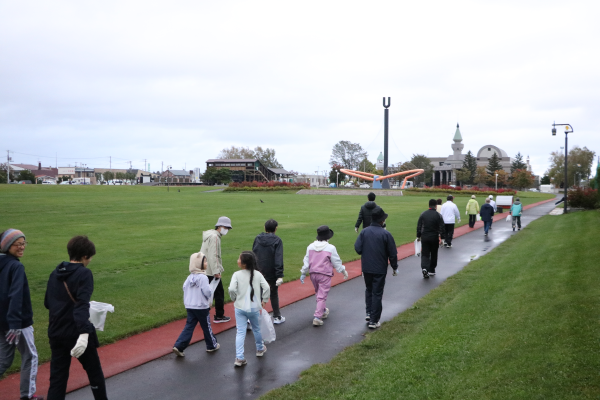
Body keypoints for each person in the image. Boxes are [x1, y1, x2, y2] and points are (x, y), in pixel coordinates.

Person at [45, 236, 107, 400]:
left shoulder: (54, 273)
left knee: (57, 379)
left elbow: (47, 303)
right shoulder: (84, 273)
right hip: (76, 332)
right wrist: (85, 334)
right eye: (90, 257)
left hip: (56, 331)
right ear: (85, 256)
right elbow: (81, 305)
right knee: (94, 373)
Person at [0, 229, 44, 400]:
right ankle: (27, 395)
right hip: (18, 323)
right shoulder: (16, 266)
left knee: (3, 360)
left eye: (23, 243)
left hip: (2, 322)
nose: (22, 247)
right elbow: (16, 295)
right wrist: (15, 324)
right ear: (7, 246)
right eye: (18, 244)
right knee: (30, 356)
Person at [354, 207, 398, 329]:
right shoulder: (386, 234)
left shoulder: (364, 232)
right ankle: (373, 320)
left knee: (369, 290)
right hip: (379, 268)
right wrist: (395, 267)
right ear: (381, 221)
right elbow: (392, 253)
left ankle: (369, 313)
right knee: (377, 293)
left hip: (367, 267)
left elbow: (358, 248)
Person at [172, 252, 219, 357]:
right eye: (205, 261)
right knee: (206, 326)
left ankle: (179, 345)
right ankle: (212, 345)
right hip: (201, 306)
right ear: (199, 264)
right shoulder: (203, 278)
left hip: (190, 306)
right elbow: (207, 291)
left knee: (189, 326)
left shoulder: (189, 278)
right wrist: (209, 297)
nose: (206, 263)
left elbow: (184, 288)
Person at [300, 226, 348, 327]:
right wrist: (343, 271)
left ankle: (323, 310)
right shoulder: (330, 248)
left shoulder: (310, 246)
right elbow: (336, 262)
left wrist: (303, 273)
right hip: (325, 274)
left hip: (313, 274)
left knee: (319, 293)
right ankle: (317, 317)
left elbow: (306, 261)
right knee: (322, 295)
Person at [228, 251, 270, 367]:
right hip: (254, 308)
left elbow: (231, 289)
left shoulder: (236, 274)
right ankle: (260, 349)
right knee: (256, 329)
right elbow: (266, 287)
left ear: (244, 263)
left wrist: (234, 298)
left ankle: (239, 357)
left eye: (239, 259)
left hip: (240, 307)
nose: (237, 260)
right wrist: (264, 300)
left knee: (240, 332)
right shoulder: (258, 274)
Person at [200, 216, 232, 324]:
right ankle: (219, 316)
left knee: (207, 294)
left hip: (204, 268)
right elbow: (214, 255)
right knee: (218, 293)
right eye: (226, 227)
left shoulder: (209, 234)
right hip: (210, 270)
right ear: (220, 226)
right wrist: (216, 271)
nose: (227, 230)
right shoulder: (215, 237)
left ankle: (202, 316)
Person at [252, 219, 285, 324]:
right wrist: (279, 274)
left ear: (264, 228)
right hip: (271, 272)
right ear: (276, 229)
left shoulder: (257, 238)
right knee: (273, 293)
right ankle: (277, 316)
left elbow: (253, 254)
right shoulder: (277, 240)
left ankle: (251, 317)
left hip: (259, 270)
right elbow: (278, 258)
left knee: (258, 294)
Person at [416, 200, 445, 278]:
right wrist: (442, 238)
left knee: (425, 253)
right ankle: (432, 269)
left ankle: (425, 267)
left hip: (425, 237)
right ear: (436, 206)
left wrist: (418, 236)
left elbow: (419, 226)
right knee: (434, 253)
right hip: (434, 237)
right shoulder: (438, 215)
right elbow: (442, 227)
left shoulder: (423, 214)